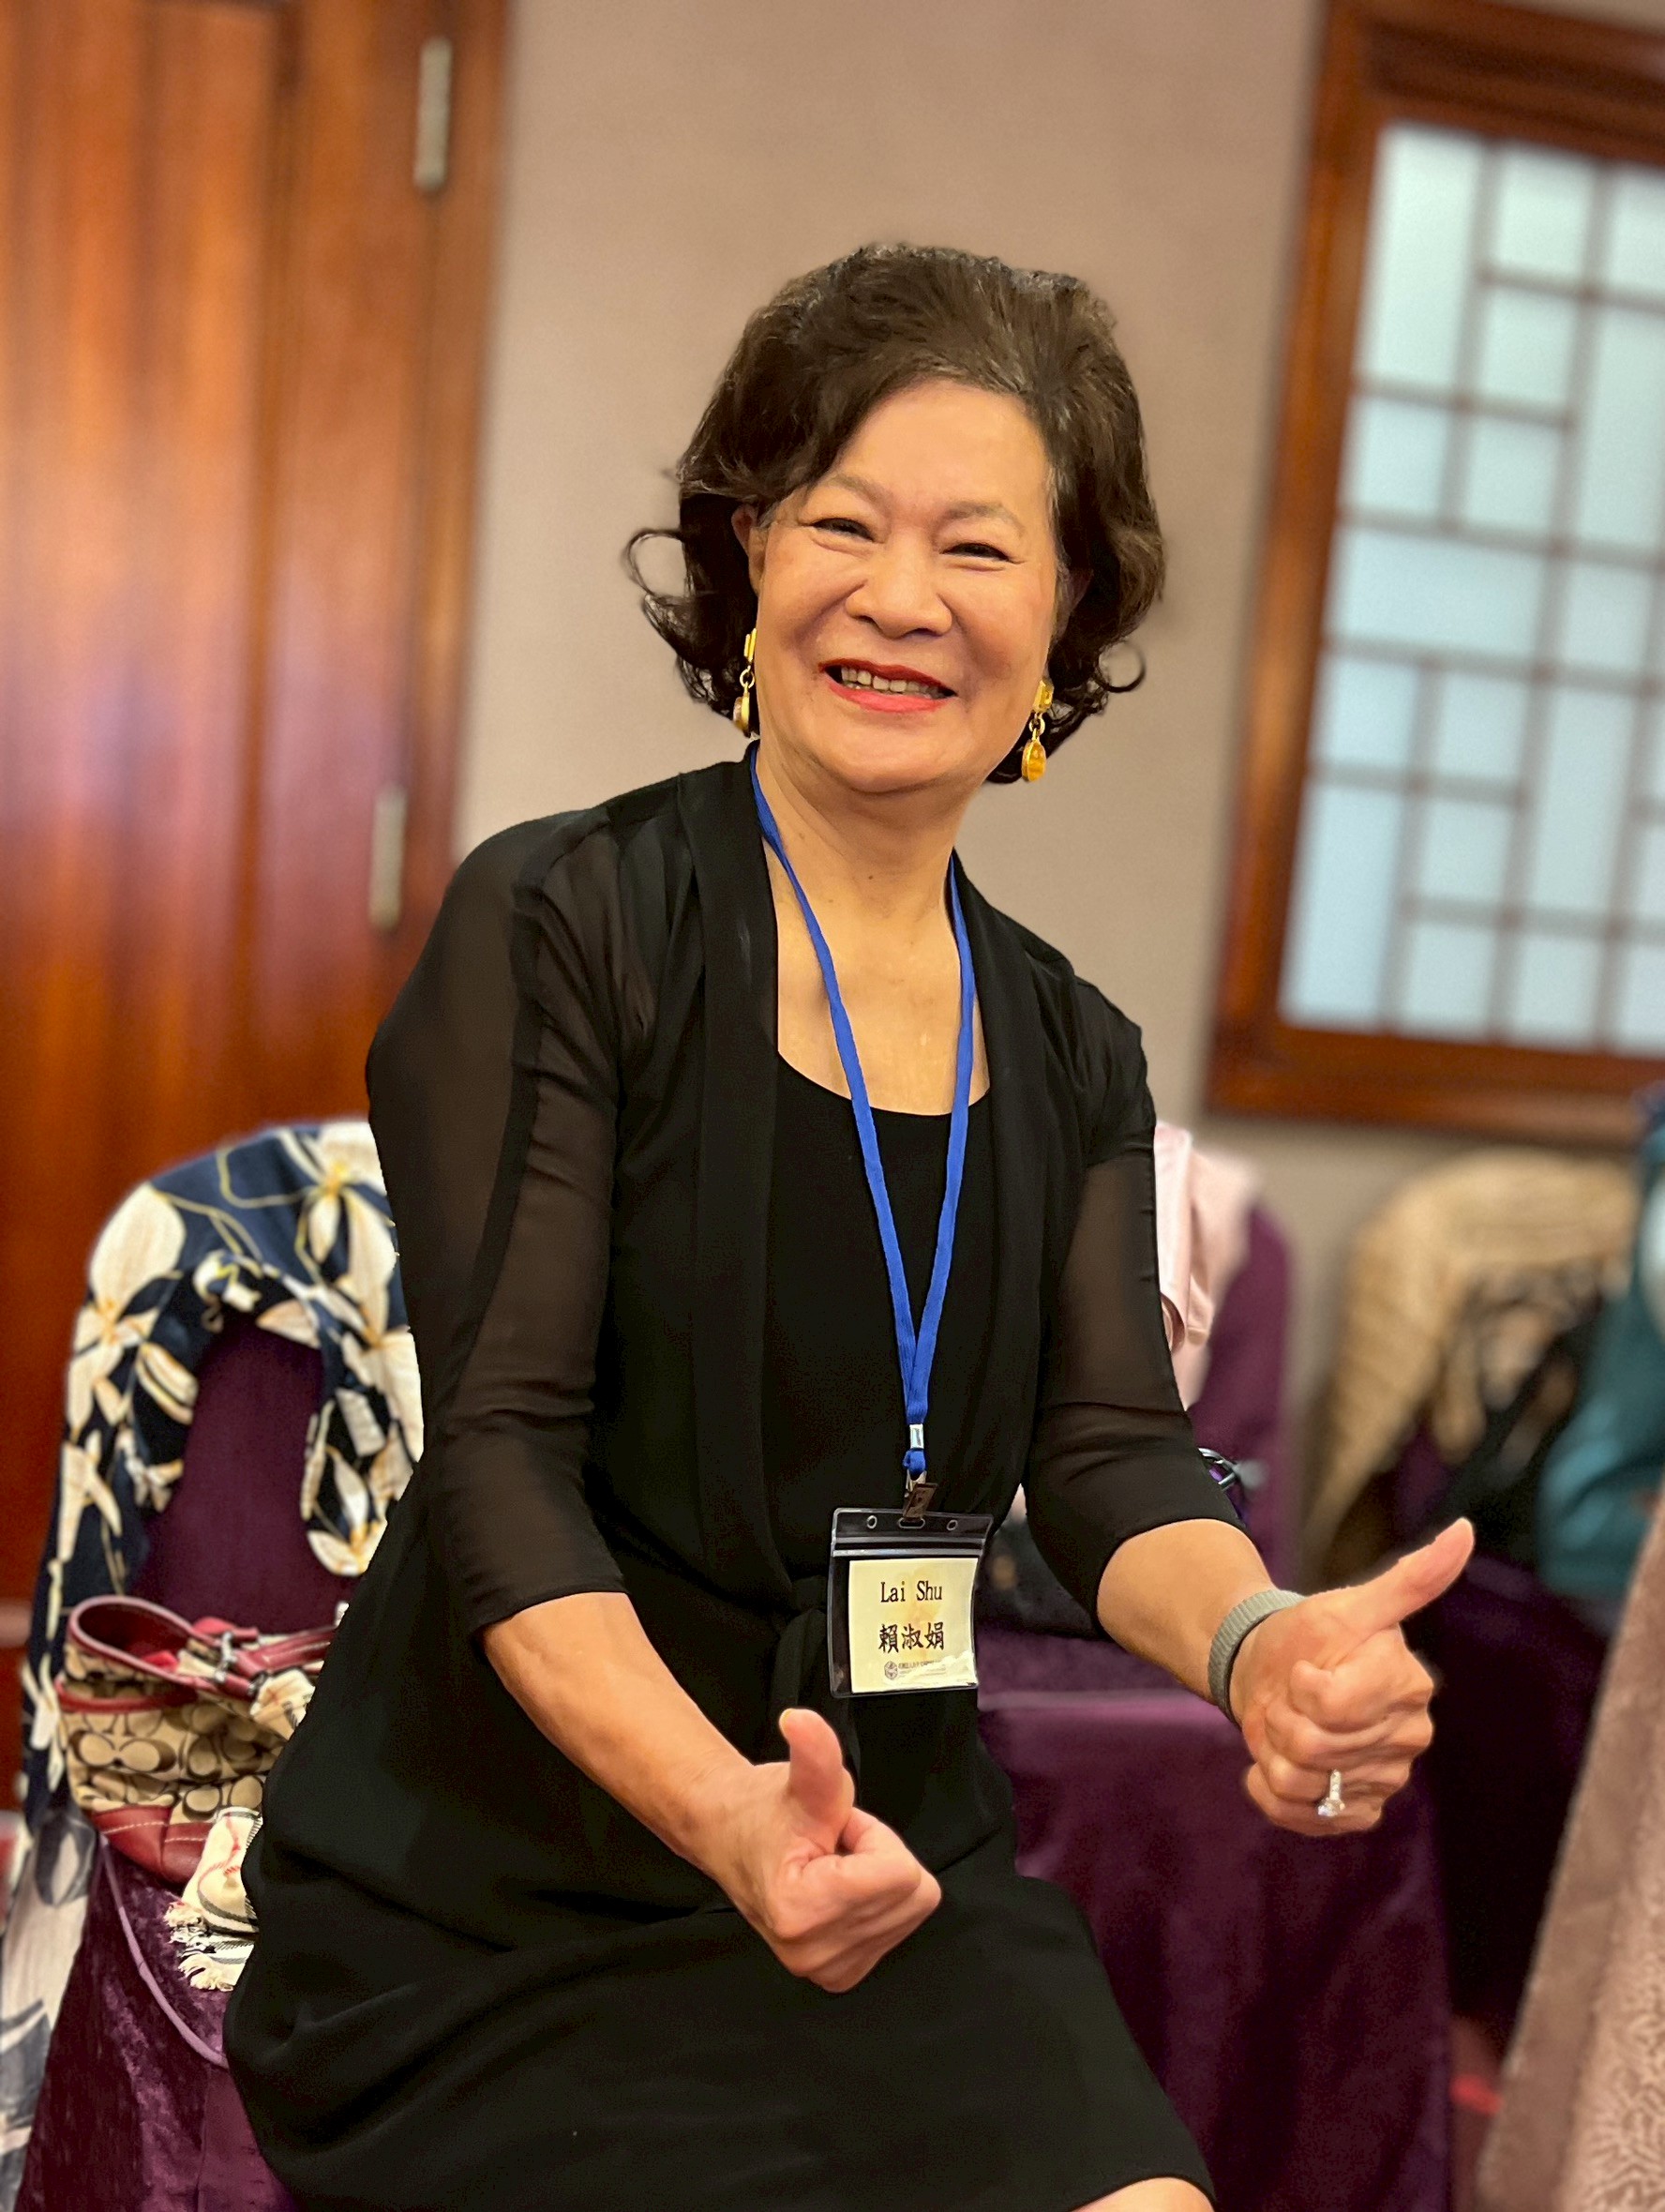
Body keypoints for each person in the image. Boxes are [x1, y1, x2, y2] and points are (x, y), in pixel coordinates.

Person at [226, 244, 1469, 2212]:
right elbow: (502, 1461)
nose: (903, 596)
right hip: (505, 1892)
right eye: (843, 523)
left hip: (888, 1860)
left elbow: (1108, 1454)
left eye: (980, 546)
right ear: (749, 559)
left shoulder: (1071, 1047)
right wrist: (726, 1814)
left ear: (1067, 615)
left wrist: (1256, 1645)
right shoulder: (569, 927)